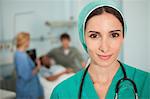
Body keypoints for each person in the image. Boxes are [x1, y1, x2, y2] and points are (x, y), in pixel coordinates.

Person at [50, 0, 150, 99]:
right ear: (83, 38)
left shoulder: (146, 83)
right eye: (94, 36)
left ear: (123, 36)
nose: (104, 47)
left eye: (114, 35)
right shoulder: (62, 93)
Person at [14, 32, 43, 99]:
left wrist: (34, 63)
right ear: (25, 41)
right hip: (27, 90)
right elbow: (27, 76)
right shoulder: (21, 56)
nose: (29, 42)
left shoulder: (20, 54)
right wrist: (38, 67)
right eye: (28, 40)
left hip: (27, 88)